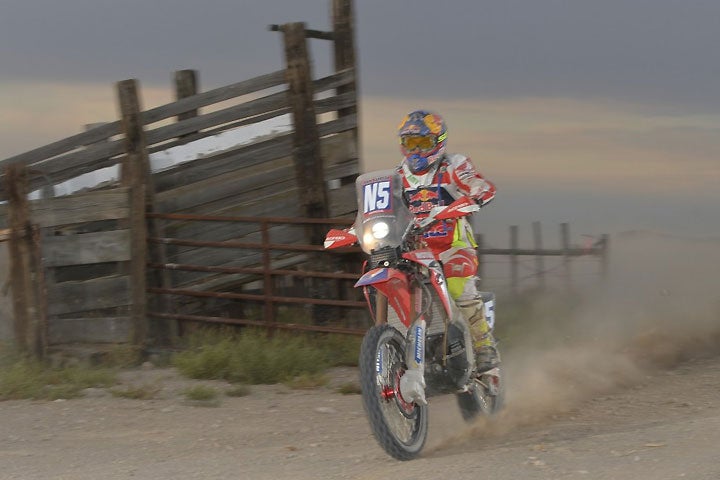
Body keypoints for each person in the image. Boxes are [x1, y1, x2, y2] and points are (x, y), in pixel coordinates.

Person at [395, 109, 499, 371]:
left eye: (422, 143)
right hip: (416, 249)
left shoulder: (454, 165)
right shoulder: (397, 176)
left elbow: (478, 183)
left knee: (458, 286)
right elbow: (383, 207)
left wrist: (476, 194)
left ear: (438, 141)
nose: (416, 151)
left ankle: (484, 346)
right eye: (410, 143)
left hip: (453, 245)